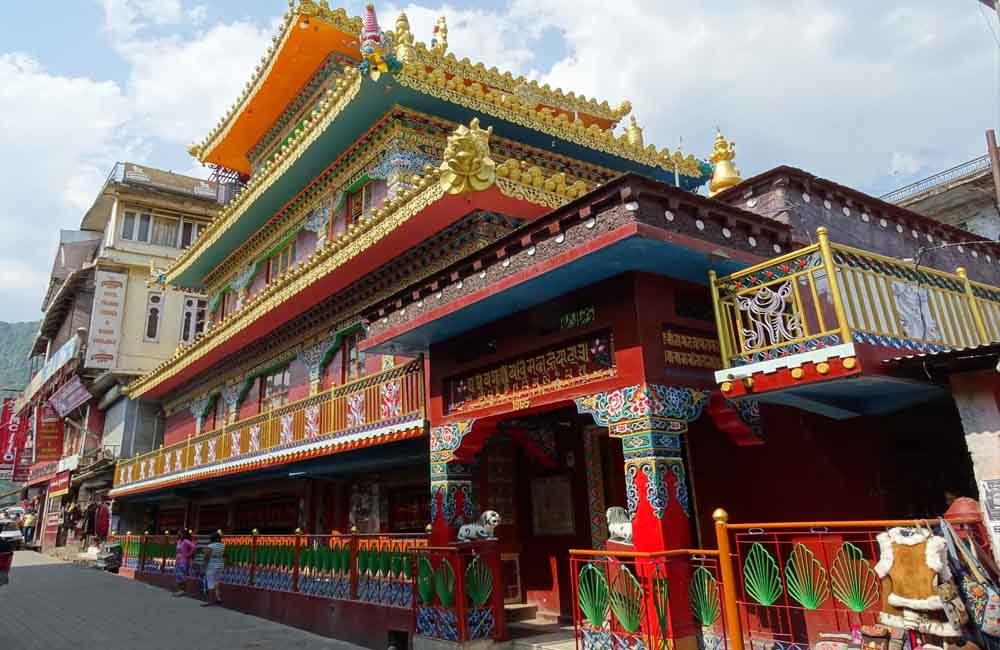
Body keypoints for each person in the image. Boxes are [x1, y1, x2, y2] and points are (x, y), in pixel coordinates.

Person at [201, 532, 225, 607]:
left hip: (211, 566)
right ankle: (218, 598)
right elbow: (225, 555)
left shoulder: (210, 546)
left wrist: (203, 568)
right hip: (220, 564)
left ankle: (210, 601)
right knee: (217, 582)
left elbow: (206, 557)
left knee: (210, 583)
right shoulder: (223, 545)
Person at [172, 530, 196, 597]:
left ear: (184, 534)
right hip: (177, 560)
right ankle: (180, 590)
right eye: (178, 534)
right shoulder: (179, 541)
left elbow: (194, 547)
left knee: (182, 576)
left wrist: (188, 554)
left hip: (183, 561)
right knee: (177, 575)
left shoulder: (186, 541)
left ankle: (182, 591)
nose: (179, 535)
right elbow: (177, 551)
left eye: (180, 533)